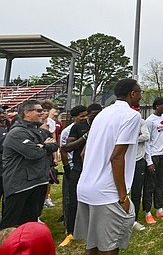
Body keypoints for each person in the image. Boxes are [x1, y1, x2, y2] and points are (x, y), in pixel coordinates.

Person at [73, 78, 143, 253]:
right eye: (140, 92)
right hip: (107, 194)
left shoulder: (102, 114)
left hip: (86, 188)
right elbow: (117, 158)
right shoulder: (132, 116)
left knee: (93, 244)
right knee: (109, 247)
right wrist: (122, 197)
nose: (141, 96)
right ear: (132, 94)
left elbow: (83, 153)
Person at [0, 100, 58, 229]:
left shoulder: (39, 131)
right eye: (38, 110)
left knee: (30, 224)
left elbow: (54, 145)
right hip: (20, 185)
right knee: (11, 226)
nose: (42, 113)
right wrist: (44, 146)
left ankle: (26, 248)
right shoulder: (17, 133)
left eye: (42, 110)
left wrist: (44, 146)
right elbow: (34, 153)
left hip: (38, 181)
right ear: (26, 113)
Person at [58, 105, 90, 247]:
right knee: (70, 199)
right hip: (72, 167)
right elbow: (64, 150)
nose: (84, 118)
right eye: (81, 116)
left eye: (85, 115)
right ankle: (69, 227)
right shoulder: (68, 130)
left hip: (86, 167)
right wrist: (67, 168)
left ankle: (85, 226)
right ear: (74, 117)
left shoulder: (91, 126)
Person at [143, 98, 163, 224]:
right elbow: (147, 141)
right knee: (149, 185)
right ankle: (147, 212)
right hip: (154, 155)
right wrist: (149, 161)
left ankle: (159, 209)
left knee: (160, 183)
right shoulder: (149, 121)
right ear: (157, 106)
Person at [130, 106, 150, 231]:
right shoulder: (124, 123)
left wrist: (132, 139)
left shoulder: (141, 122)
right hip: (125, 161)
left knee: (136, 191)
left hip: (138, 160)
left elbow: (146, 136)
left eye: (137, 111)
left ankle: (134, 219)